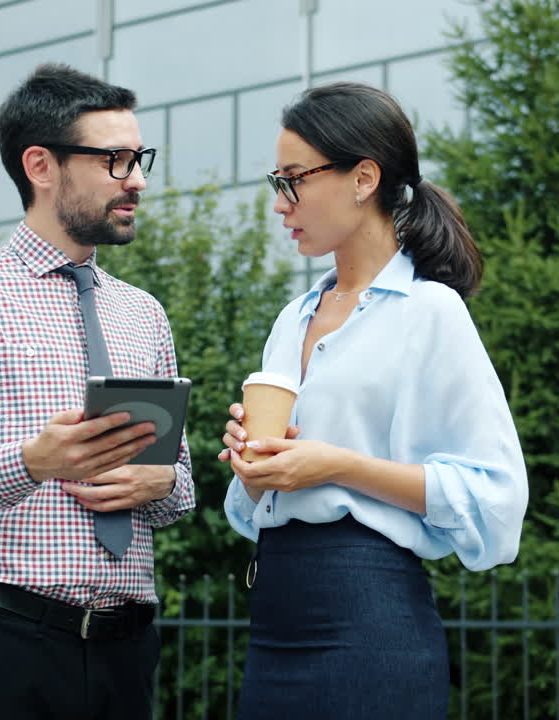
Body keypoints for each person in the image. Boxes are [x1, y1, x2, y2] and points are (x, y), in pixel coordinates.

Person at [0, 63, 195, 720]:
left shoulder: (145, 314)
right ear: (41, 166)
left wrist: (161, 484)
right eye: (114, 160)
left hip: (127, 655)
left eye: (140, 159)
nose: (136, 179)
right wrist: (31, 463)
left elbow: (180, 485)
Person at [218, 82, 528, 719]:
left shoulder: (430, 312)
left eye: (293, 180)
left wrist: (335, 466)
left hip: (370, 622)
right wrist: (251, 469)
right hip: (274, 617)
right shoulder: (291, 318)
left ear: (363, 178)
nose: (281, 204)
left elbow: (497, 500)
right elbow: (249, 511)